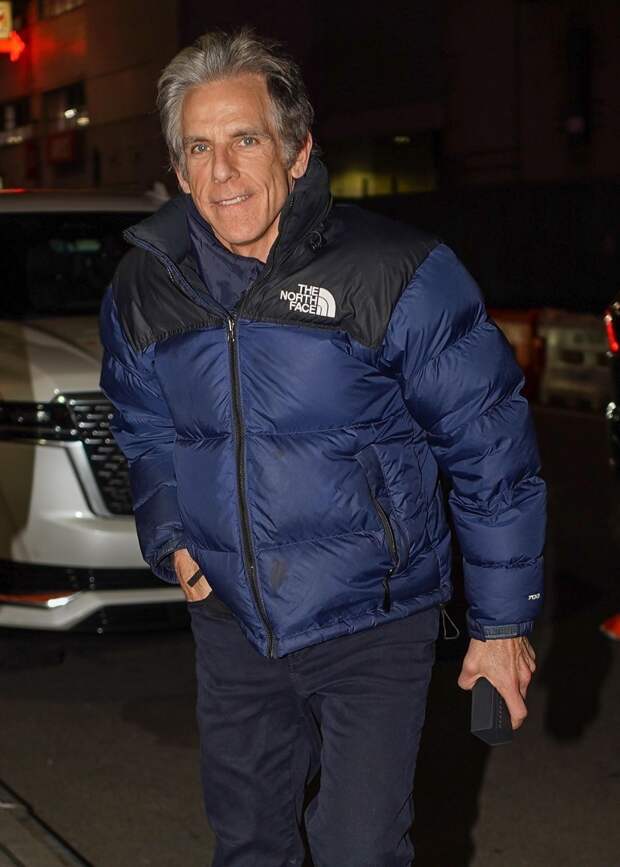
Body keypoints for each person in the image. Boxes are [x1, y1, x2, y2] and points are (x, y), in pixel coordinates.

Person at [99, 29, 545, 866]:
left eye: (245, 140)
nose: (222, 172)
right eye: (199, 147)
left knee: (358, 848)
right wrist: (174, 535)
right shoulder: (144, 286)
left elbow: (490, 447)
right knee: (249, 845)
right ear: (178, 168)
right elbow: (145, 424)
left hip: (373, 617)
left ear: (298, 152)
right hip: (232, 617)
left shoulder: (395, 272)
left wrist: (502, 622)